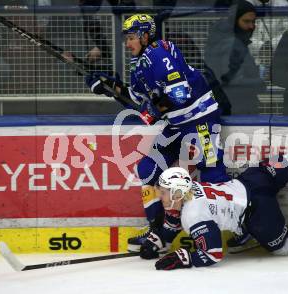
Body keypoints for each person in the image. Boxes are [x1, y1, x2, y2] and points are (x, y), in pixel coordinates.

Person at [84, 14, 229, 252]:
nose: (127, 43)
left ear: (144, 35)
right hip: (176, 125)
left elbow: (179, 94)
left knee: (213, 174)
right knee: (146, 169)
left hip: (200, 121)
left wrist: (154, 110)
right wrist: (110, 87)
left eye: (131, 38)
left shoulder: (159, 52)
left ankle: (241, 223)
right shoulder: (139, 65)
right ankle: (158, 234)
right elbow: (137, 100)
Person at [138, 116, 288, 270]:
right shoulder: (189, 192)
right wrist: (156, 242)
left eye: (164, 192)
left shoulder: (192, 215)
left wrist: (181, 258)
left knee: (282, 248)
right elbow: (172, 221)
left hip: (259, 213)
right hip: (253, 179)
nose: (160, 195)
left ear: (177, 193)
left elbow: (213, 253)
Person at [204, 0, 266, 115]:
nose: (251, 26)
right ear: (234, 21)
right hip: (237, 108)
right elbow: (233, 81)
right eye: (246, 21)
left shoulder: (229, 40)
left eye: (253, 22)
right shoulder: (231, 44)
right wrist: (261, 82)